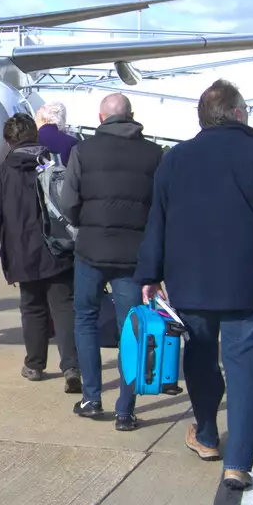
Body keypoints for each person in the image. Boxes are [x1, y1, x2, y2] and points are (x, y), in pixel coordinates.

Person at [135, 79, 253, 491]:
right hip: (245, 281)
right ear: (236, 113)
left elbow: (156, 222)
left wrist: (149, 273)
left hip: (190, 278)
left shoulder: (175, 159)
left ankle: (208, 434)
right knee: (243, 363)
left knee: (198, 355)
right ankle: (239, 461)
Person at [57, 92, 163, 426]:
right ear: (132, 116)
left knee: (85, 320)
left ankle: (91, 398)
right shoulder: (154, 154)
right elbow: (161, 208)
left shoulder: (82, 151)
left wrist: (85, 223)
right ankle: (125, 410)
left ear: (101, 119)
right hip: (133, 255)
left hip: (91, 250)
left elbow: (68, 202)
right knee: (131, 329)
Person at [0, 114, 78, 383]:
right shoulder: (53, 161)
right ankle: (72, 367)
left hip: (23, 252)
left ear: (8, 142)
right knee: (64, 308)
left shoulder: (5, 173)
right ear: (35, 135)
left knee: (32, 308)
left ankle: (35, 365)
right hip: (59, 248)